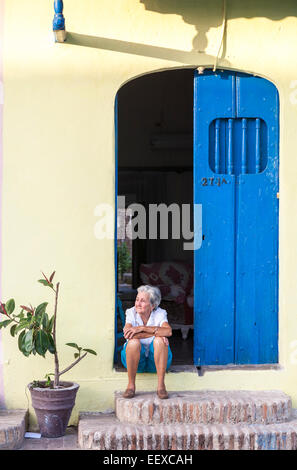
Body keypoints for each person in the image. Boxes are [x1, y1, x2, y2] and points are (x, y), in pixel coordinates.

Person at [121, 285, 172, 399]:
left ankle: (161, 386)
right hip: (135, 363)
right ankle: (131, 386)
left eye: (143, 301)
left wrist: (141, 329)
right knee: (133, 343)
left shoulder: (160, 313)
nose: (138, 304)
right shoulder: (131, 312)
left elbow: (168, 331)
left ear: (153, 305)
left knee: (160, 341)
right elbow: (127, 333)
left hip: (157, 363)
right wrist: (157, 332)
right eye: (137, 299)